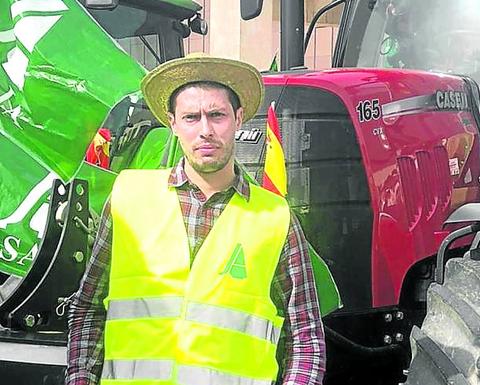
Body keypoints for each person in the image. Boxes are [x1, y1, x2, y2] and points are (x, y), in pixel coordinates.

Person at [66, 53, 326, 385]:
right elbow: (88, 309)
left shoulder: (274, 219)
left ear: (239, 118)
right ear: (172, 124)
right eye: (191, 117)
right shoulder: (128, 197)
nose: (205, 130)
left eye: (216, 115)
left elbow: (305, 336)